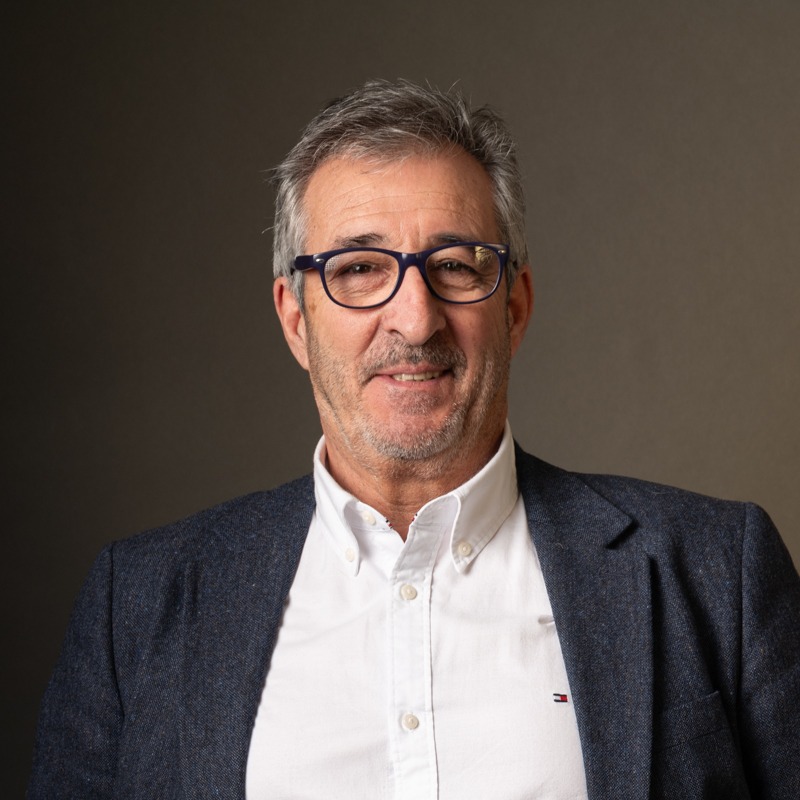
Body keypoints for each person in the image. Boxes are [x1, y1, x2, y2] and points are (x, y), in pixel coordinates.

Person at [30, 79, 800, 800]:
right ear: (295, 320)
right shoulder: (137, 604)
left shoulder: (716, 571)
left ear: (515, 308)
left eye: (456, 267)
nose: (415, 318)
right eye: (360, 269)